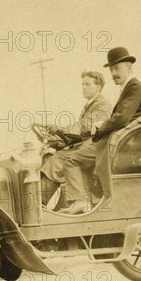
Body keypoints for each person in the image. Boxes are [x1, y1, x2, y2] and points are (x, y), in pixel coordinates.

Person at [58, 47, 141, 214]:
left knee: (69, 159)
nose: (114, 73)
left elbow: (122, 118)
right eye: (112, 70)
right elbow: (119, 118)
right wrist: (91, 132)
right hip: (121, 141)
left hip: (126, 145)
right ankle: (89, 199)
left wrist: (99, 129)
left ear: (130, 68)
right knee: (77, 153)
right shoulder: (128, 88)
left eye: (118, 69)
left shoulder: (134, 87)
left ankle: (81, 201)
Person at [40, 71, 112, 205]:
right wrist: (58, 139)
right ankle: (43, 205)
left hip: (96, 149)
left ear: (98, 87)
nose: (83, 87)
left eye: (87, 84)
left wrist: (61, 129)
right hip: (87, 146)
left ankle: (39, 206)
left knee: (56, 161)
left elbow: (86, 126)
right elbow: (80, 134)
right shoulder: (88, 105)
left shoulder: (103, 105)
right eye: (82, 84)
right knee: (51, 157)